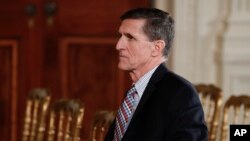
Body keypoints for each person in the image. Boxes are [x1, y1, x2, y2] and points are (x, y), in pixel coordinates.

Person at [105, 8, 208, 141]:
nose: (119, 45)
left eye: (130, 38)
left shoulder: (180, 94)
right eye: (120, 36)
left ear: (157, 47)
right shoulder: (134, 93)